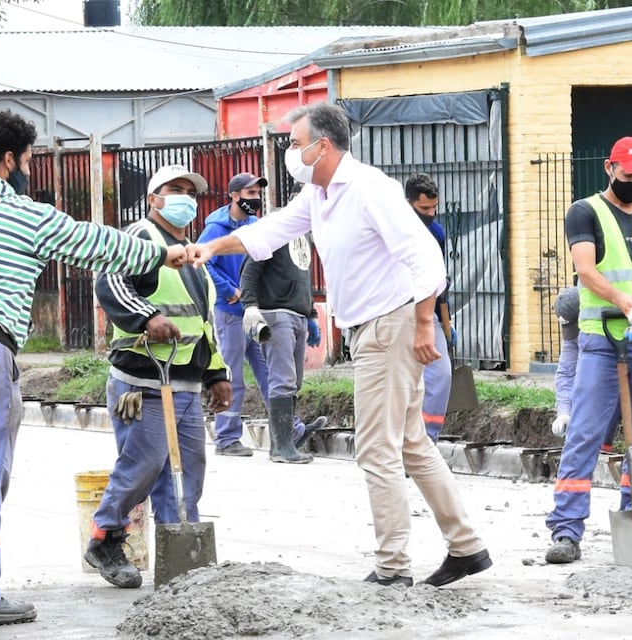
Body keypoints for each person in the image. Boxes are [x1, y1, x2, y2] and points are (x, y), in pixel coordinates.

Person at [0, 110, 187, 630]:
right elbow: (94, 244)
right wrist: (162, 255)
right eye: (28, 160)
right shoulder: (22, 213)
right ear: (10, 160)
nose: (28, 170)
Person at [187, 102, 491, 587]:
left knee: (376, 449)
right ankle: (467, 546)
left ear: (321, 146)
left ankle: (393, 568)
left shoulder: (370, 189)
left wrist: (423, 324)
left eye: (294, 144)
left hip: (387, 326)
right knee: (411, 443)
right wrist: (211, 247)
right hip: (373, 327)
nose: (290, 153)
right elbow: (270, 231)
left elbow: (428, 260)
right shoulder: (319, 193)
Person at [84, 164, 232, 588]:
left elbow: (203, 323)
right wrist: (147, 316)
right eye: (174, 189)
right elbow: (110, 282)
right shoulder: (140, 238)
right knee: (143, 466)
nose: (185, 196)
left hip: (184, 382)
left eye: (191, 191)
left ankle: (181, 560)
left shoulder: (194, 256)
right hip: (142, 380)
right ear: (153, 198)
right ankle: (105, 538)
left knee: (187, 474)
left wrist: (216, 372)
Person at [545, 136, 632, 564]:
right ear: (610, 168)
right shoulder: (584, 212)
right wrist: (623, 301)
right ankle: (566, 531)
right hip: (601, 344)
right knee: (584, 436)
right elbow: (585, 270)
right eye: (630, 174)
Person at [239, 182, 328, 464]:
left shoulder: (305, 234)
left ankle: (287, 440)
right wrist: (250, 306)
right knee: (282, 380)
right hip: (276, 313)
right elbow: (249, 271)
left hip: (297, 314)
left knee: (294, 381)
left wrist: (310, 314)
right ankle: (281, 447)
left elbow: (303, 275)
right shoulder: (275, 228)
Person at [551, 287, 632, 452]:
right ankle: (603, 451)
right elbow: (566, 372)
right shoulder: (577, 332)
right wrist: (564, 412)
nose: (576, 335)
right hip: (625, 346)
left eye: (577, 328)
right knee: (606, 398)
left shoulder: (617, 312)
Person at [197, 173, 271, 457]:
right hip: (229, 312)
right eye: (250, 194)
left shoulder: (253, 224)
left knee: (269, 372)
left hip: (252, 311)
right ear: (234, 196)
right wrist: (229, 290)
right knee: (233, 377)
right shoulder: (216, 229)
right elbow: (203, 262)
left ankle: (289, 429)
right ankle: (227, 438)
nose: (255, 199)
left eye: (257, 194)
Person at [405, 173, 454, 442]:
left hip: (430, 315)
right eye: (424, 209)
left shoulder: (436, 233)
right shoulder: (395, 232)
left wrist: (446, 323)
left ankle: (427, 440)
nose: (431, 214)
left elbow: (439, 282)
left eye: (434, 208)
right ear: (409, 203)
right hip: (398, 314)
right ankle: (401, 440)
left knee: (441, 376)